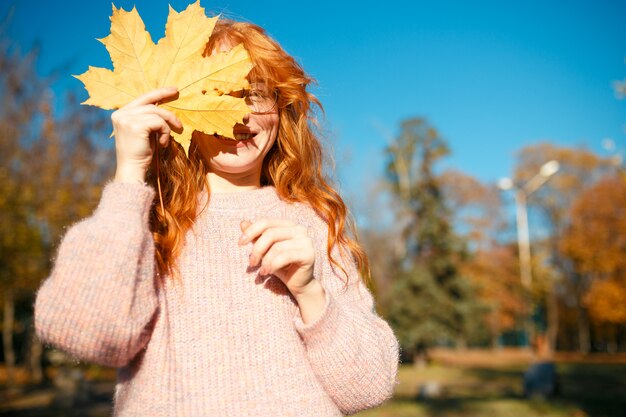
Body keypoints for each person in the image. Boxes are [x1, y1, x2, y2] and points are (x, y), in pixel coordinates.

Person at [34, 18, 400, 417]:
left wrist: (310, 291)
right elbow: (87, 334)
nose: (238, 116)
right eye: (215, 94)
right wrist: (127, 180)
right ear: (175, 109)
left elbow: (369, 385)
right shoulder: (147, 219)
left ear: (281, 111)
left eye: (256, 94)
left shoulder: (314, 222)